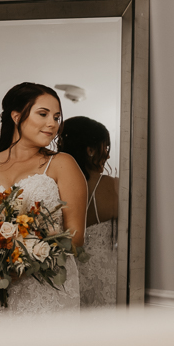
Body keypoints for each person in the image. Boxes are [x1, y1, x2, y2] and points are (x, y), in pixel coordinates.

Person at [0, 82, 86, 320]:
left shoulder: (62, 164)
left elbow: (76, 238)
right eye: (43, 114)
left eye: (57, 117)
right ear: (16, 116)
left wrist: (27, 258)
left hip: (43, 293)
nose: (53, 124)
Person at [60, 116, 119, 309]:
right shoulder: (113, 187)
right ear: (90, 150)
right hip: (104, 280)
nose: (108, 156)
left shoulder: (52, 185)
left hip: (62, 279)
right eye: (105, 148)